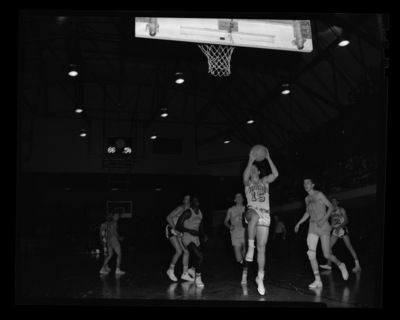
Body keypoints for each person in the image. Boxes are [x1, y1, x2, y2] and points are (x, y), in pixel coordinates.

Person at [294, 178, 349, 288]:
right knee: (311, 253)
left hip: (323, 226)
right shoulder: (306, 199)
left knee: (326, 254)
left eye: (308, 182)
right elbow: (307, 213)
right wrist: (298, 223)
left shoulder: (319, 194)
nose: (305, 184)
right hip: (312, 227)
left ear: (313, 185)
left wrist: (324, 219)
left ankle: (340, 264)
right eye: (304, 182)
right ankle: (318, 280)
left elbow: (330, 206)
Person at [243, 146, 279, 295]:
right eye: (250, 170)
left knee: (262, 247)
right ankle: (250, 247)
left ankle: (260, 278)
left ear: (258, 172)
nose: (252, 171)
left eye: (254, 169)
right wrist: (251, 160)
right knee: (255, 216)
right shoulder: (248, 184)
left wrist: (269, 157)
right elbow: (244, 177)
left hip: (265, 215)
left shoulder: (265, 181)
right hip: (251, 213)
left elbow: (276, 174)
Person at [319, 197, 362, 272]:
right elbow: (332, 223)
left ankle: (357, 265)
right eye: (332, 201)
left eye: (335, 201)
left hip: (342, 229)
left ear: (338, 202)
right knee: (328, 246)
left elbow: (346, 220)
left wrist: (339, 227)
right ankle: (329, 265)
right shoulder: (331, 211)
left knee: (349, 247)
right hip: (335, 230)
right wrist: (328, 230)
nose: (333, 202)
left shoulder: (341, 209)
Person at [175, 196, 207, 287]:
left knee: (199, 257)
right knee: (200, 257)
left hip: (196, 238)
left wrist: (204, 234)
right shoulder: (187, 212)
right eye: (194, 200)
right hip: (187, 238)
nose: (197, 201)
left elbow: (200, 225)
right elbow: (178, 226)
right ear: (191, 203)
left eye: (198, 200)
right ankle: (198, 279)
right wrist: (189, 230)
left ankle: (192, 269)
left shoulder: (200, 213)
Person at [165, 195, 195, 282]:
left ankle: (185, 273)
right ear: (184, 201)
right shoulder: (180, 208)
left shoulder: (190, 211)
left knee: (186, 251)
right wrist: (175, 229)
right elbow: (168, 217)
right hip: (171, 229)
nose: (188, 201)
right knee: (179, 251)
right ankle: (170, 270)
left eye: (190, 199)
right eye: (186, 199)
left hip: (179, 231)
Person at [224, 192, 248, 284]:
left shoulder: (246, 208)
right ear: (234, 200)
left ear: (242, 199)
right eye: (236, 196)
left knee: (245, 256)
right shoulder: (230, 210)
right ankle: (243, 262)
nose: (238, 197)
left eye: (240, 196)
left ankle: (244, 276)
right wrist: (229, 226)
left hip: (245, 235)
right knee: (238, 259)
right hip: (235, 236)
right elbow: (225, 221)